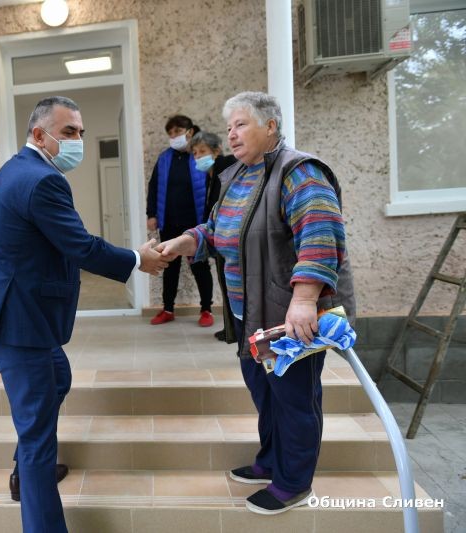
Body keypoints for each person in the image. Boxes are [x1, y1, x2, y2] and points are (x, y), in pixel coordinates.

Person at [0, 96, 167, 532]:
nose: (78, 140)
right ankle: (36, 499)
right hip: (16, 322)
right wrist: (138, 259)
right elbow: (81, 246)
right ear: (39, 135)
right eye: (69, 132)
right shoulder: (42, 181)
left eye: (80, 132)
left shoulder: (18, 169)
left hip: (8, 311)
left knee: (59, 376)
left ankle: (27, 470)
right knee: (38, 435)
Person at [157, 91, 356, 515]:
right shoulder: (237, 176)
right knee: (265, 393)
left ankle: (293, 482)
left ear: (270, 126)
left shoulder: (299, 172)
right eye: (228, 126)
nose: (231, 134)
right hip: (250, 315)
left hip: (287, 316)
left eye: (241, 124)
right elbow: (216, 230)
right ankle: (270, 461)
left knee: (294, 399)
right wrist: (184, 241)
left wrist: (305, 299)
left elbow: (320, 237)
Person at [146, 115, 215, 327]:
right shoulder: (164, 158)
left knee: (200, 267)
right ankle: (168, 309)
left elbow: (213, 187)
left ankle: (206, 310)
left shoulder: (200, 157)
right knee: (169, 267)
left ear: (190, 131)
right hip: (169, 222)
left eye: (177, 131)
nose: (174, 136)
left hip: (195, 224)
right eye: (170, 133)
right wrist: (151, 214)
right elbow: (153, 186)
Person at [188, 131, 238, 343]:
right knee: (225, 284)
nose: (198, 156)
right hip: (219, 237)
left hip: (229, 237)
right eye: (195, 153)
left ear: (216, 151)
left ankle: (234, 330)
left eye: (202, 151)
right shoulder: (211, 174)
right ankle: (230, 328)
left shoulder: (226, 166)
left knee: (231, 286)